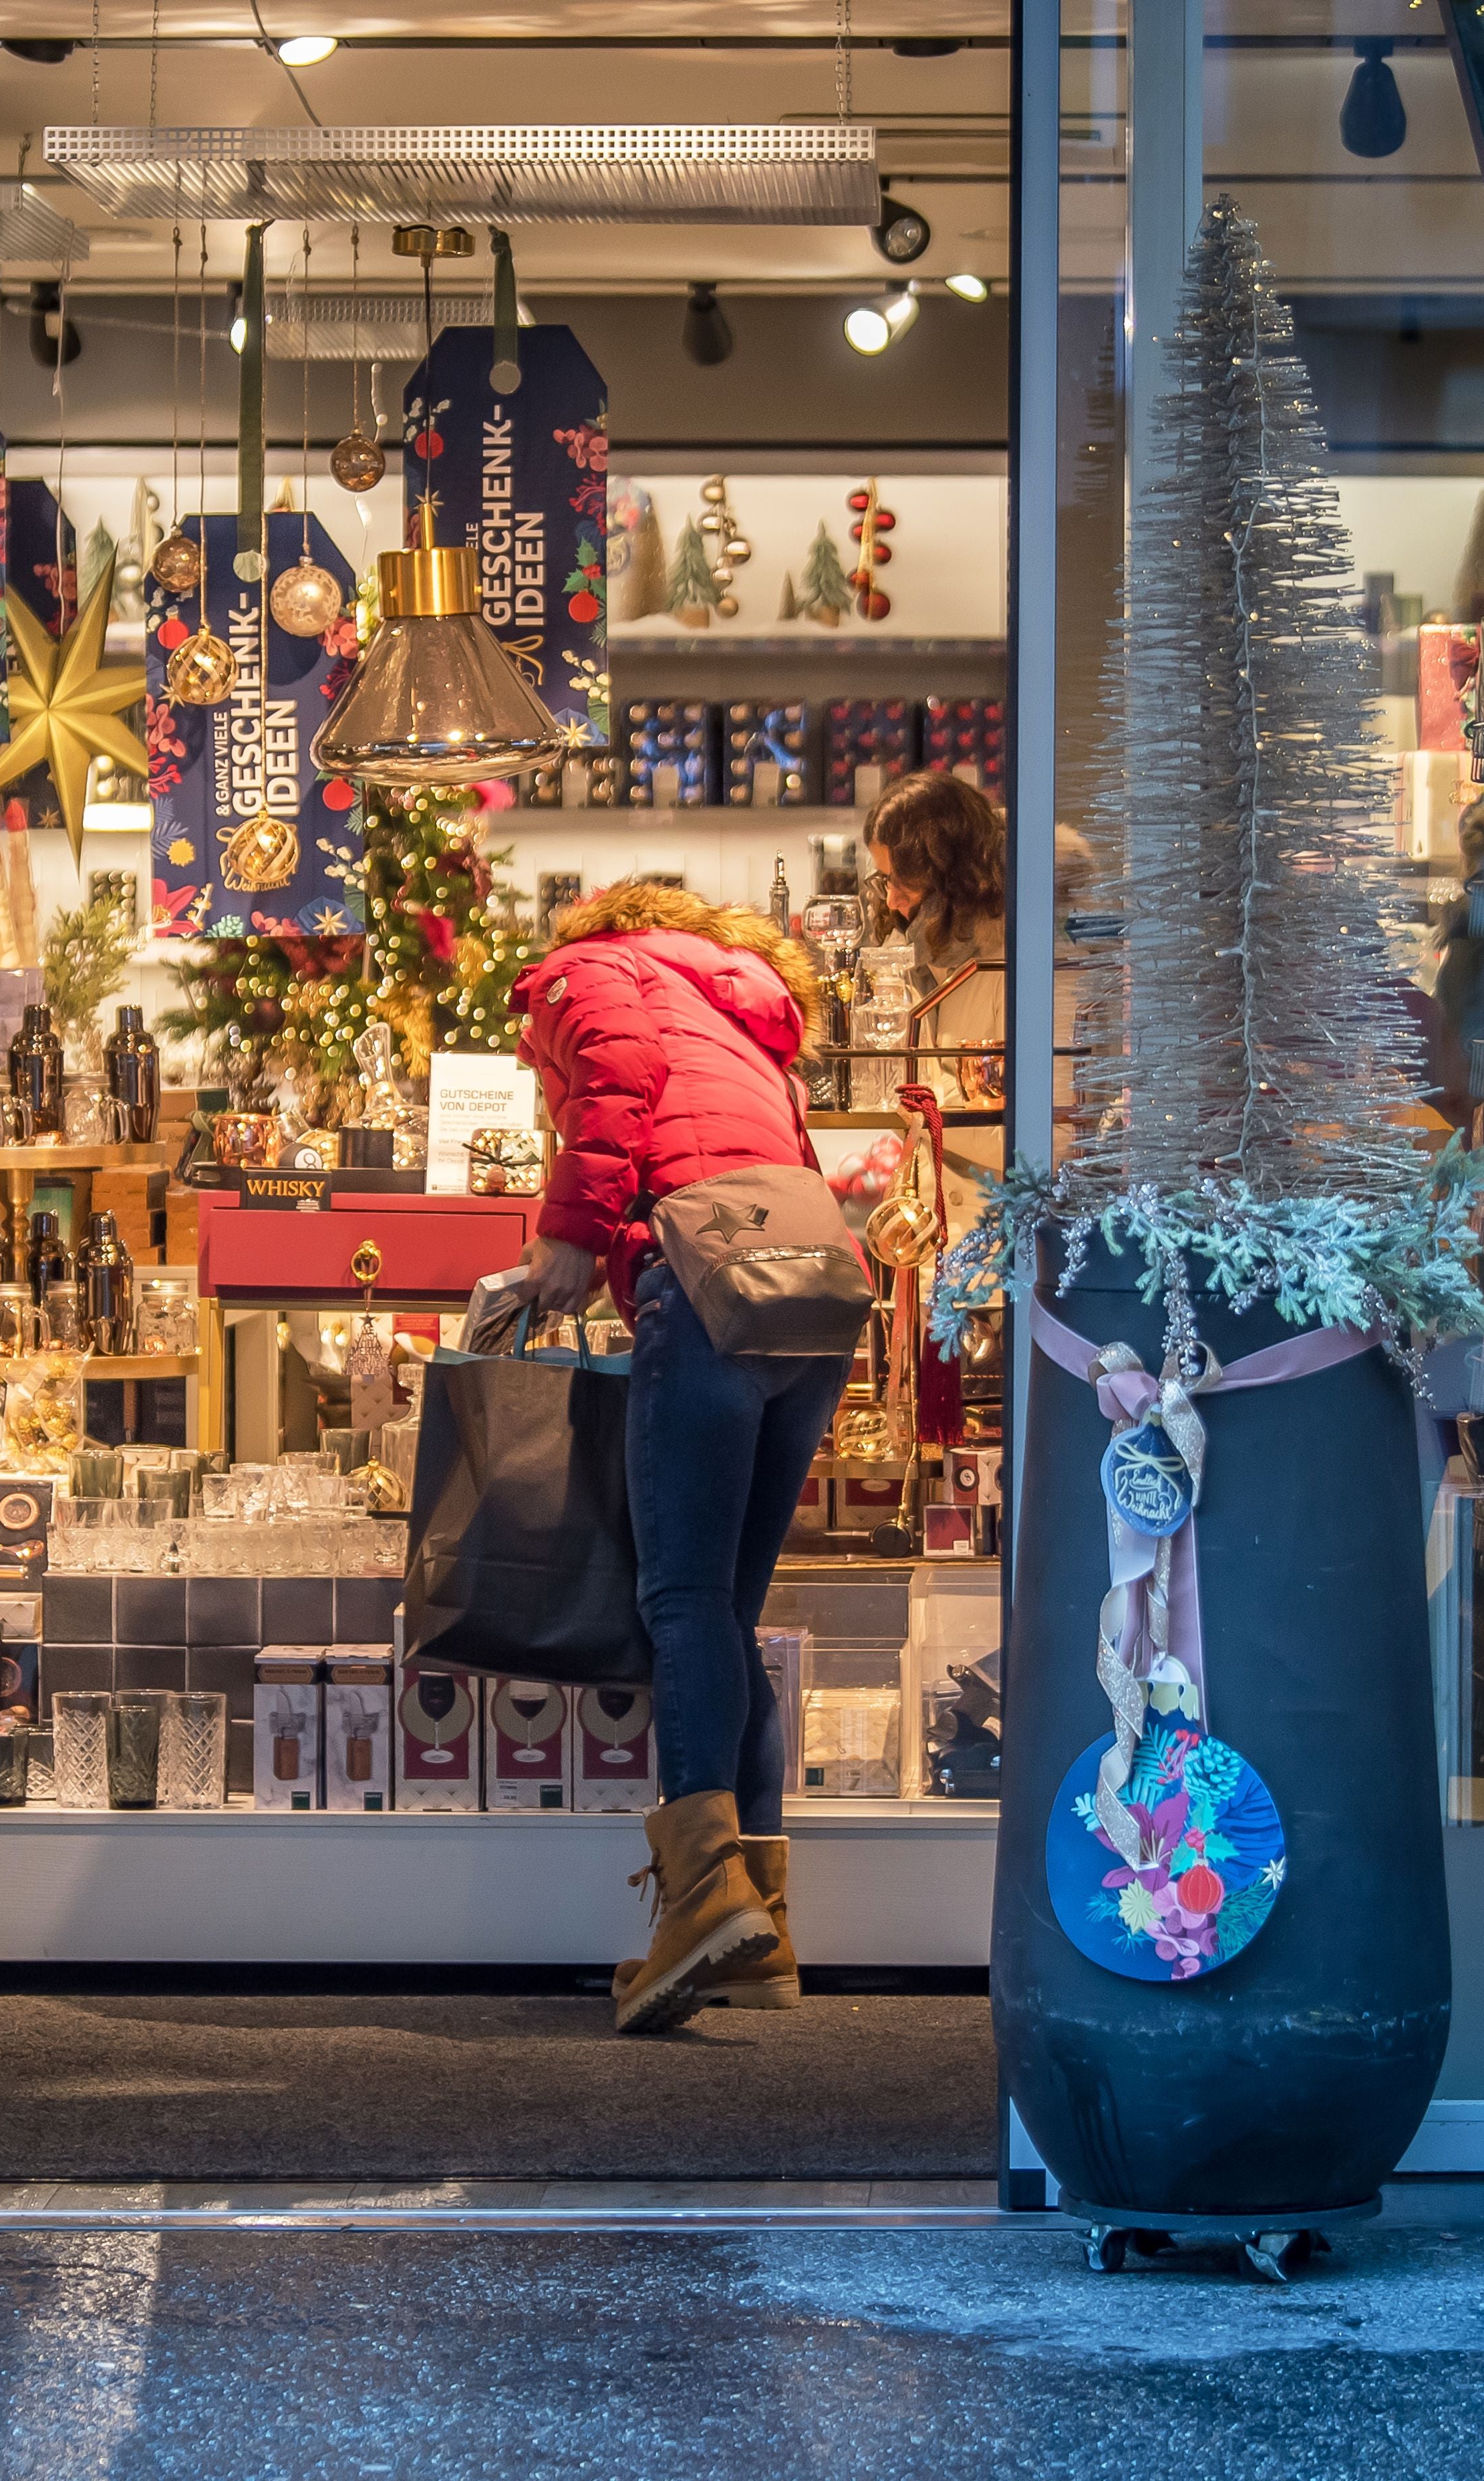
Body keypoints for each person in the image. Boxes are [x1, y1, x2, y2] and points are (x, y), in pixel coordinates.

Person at [512, 882, 850, 2035]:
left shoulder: (590, 974)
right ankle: (760, 1921)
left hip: (704, 1283)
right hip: (811, 1290)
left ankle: (702, 1898)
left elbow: (611, 1086)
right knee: (725, 1610)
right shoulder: (738, 1002)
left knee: (682, 1599)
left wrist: (565, 1235)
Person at [864, 771, 1010, 1097]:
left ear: (956, 878)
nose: (891, 900)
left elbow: (1050, 1133)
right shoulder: (924, 953)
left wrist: (920, 1122)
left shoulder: (1018, 959)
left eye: (906, 882)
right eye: (886, 879)